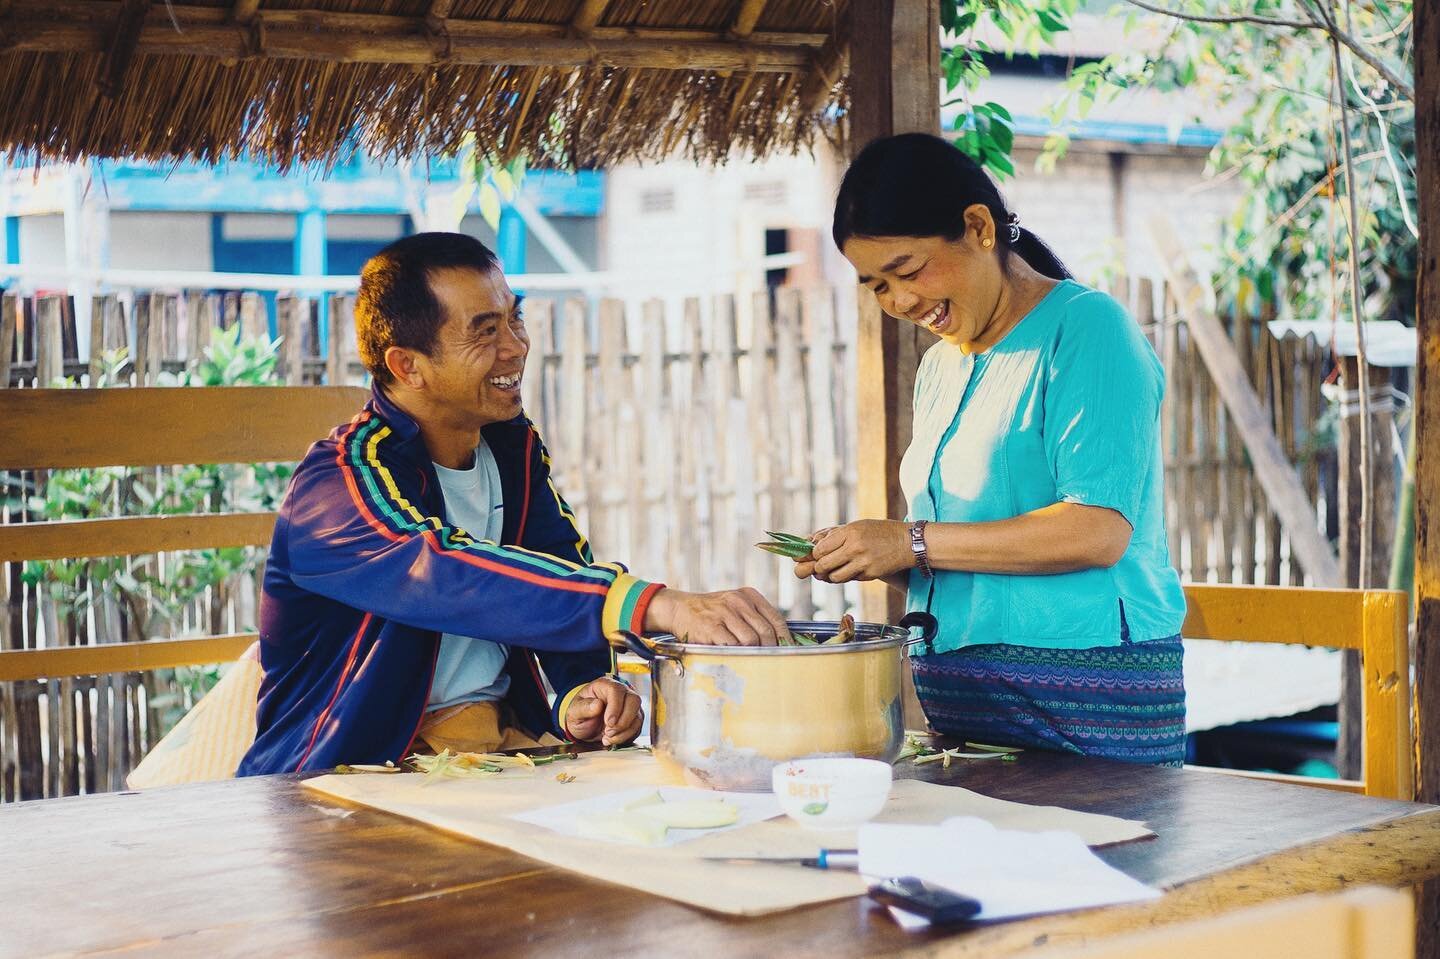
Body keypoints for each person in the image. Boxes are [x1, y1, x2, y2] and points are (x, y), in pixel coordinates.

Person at [238, 233, 788, 775]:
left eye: (513, 319)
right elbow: (442, 571)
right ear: (408, 366)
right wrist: (656, 606)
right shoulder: (337, 481)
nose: (516, 346)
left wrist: (582, 688)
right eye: (485, 331)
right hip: (349, 774)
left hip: (496, 749)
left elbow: (560, 563)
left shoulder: (508, 443)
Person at [797, 133, 1187, 766]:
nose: (900, 302)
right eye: (876, 286)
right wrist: (872, 555)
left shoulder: (1089, 329)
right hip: (966, 714)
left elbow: (1096, 531)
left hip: (1087, 709)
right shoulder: (939, 369)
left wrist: (909, 540)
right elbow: (966, 555)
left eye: (908, 271)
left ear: (978, 227)